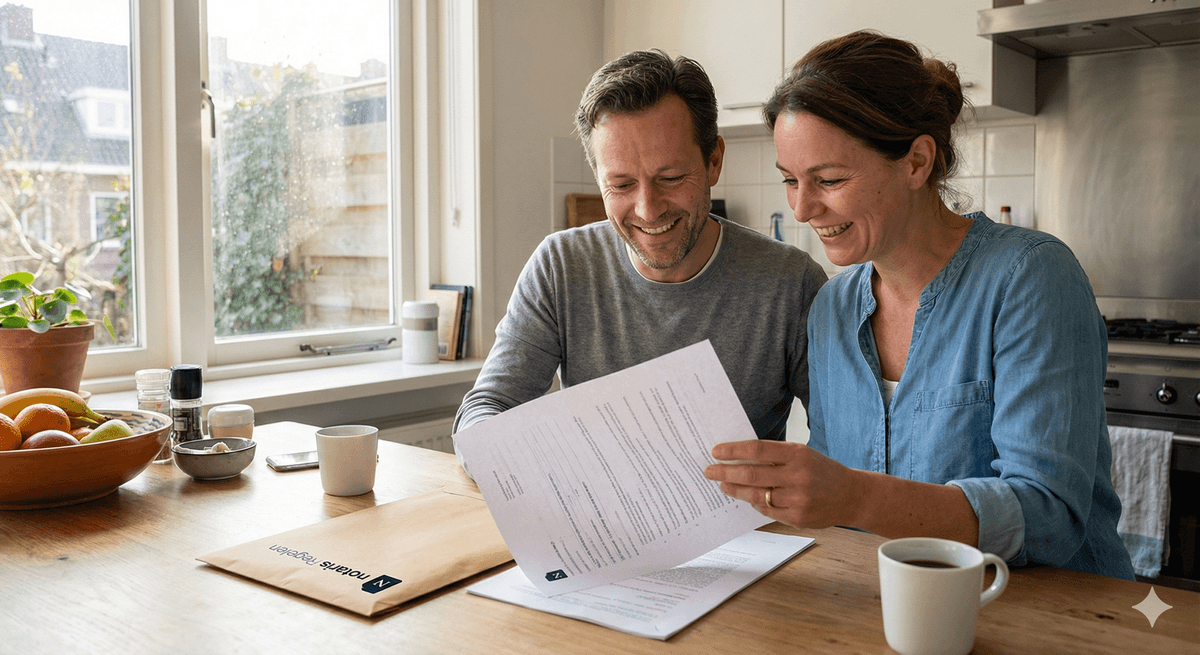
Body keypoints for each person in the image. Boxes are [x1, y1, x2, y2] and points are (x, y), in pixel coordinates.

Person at [704, 31, 1135, 579]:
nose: (804, 208)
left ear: (916, 162)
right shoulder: (833, 308)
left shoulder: (1030, 277)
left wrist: (853, 497)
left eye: (830, 179)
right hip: (902, 614)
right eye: (790, 180)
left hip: (1059, 617)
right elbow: (839, 514)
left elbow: (1051, 517)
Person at [453, 50, 827, 463]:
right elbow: (485, 409)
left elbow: (841, 448)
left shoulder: (791, 283)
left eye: (670, 178)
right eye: (621, 184)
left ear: (714, 161)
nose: (648, 210)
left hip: (748, 525)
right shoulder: (560, 266)